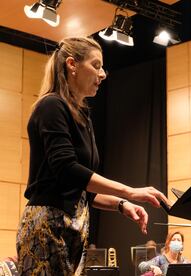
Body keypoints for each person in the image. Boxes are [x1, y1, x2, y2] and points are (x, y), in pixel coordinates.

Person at [16, 37, 168, 276]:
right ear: (72, 64)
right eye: (96, 65)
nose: (103, 74)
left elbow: (82, 188)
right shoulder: (52, 106)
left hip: (73, 228)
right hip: (47, 227)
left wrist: (121, 204)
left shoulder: (82, 116)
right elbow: (67, 169)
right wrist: (129, 191)